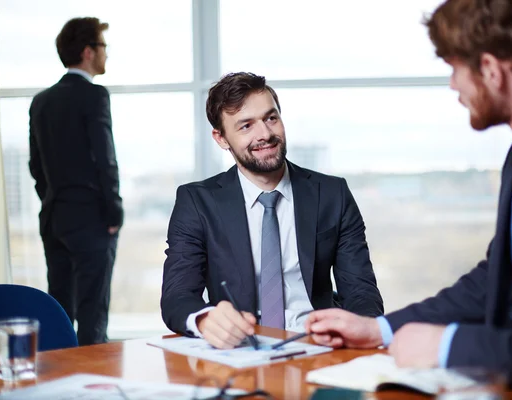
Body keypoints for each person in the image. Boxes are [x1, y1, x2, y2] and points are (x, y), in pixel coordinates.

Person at [305, 0, 512, 392]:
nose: (452, 85)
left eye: (454, 68)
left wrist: (450, 345)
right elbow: (497, 278)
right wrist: (378, 328)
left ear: (491, 70)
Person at [161, 72, 383, 349]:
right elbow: (177, 297)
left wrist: (361, 330)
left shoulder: (332, 194)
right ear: (221, 138)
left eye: (271, 118)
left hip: (318, 343)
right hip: (240, 349)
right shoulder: (196, 202)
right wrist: (206, 320)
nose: (265, 134)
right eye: (246, 126)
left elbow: (361, 291)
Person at [29, 17, 122, 345]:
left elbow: (35, 165)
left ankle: (59, 387)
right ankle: (93, 388)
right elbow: (104, 158)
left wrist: (54, 199)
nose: (106, 54)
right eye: (103, 47)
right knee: (93, 312)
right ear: (87, 52)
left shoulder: (41, 101)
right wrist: (114, 213)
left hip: (54, 218)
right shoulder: (94, 95)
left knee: (59, 308)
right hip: (91, 219)